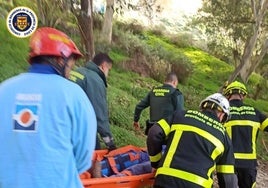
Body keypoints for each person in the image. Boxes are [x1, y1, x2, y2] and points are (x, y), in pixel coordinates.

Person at [0, 27, 97, 188]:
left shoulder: (4, 90)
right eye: (71, 63)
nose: (71, 69)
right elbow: (83, 156)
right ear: (60, 60)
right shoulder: (73, 94)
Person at [147, 93, 237, 188]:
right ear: (222, 115)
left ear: (203, 107)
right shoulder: (224, 136)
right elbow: (228, 178)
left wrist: (156, 163)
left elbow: (154, 133)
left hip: (166, 181)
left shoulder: (181, 115)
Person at [223, 81, 268, 188]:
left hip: (228, 163)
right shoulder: (255, 112)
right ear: (243, 96)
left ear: (228, 95)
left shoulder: (223, 113)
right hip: (249, 164)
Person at [70, 52, 116, 150]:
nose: (108, 74)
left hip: (62, 124)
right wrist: (110, 143)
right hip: (79, 127)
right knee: (93, 157)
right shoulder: (95, 81)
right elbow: (100, 115)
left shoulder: (77, 71)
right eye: (109, 70)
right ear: (103, 66)